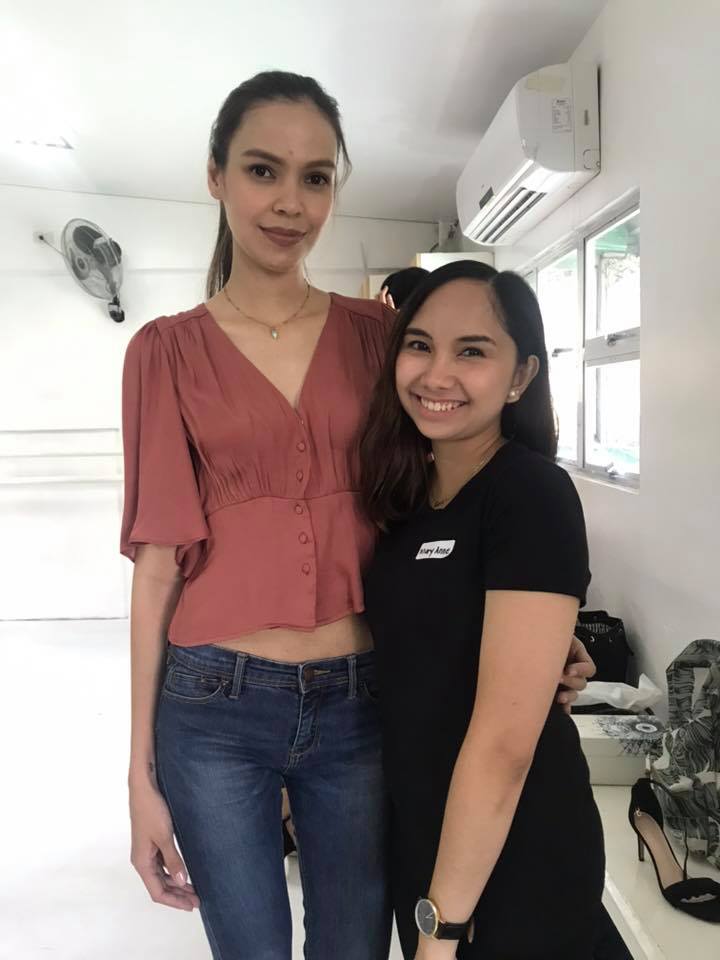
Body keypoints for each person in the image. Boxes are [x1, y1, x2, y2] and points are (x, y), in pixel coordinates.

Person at [121, 71, 595, 960]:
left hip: (364, 703)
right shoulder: (164, 352)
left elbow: (443, 504)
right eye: (262, 170)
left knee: (355, 947)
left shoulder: (384, 341)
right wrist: (139, 773)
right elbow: (156, 570)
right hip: (213, 704)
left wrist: (536, 636)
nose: (289, 203)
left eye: (316, 178)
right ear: (216, 176)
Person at [361, 260, 606, 960]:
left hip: (515, 847)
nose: (437, 374)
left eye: (472, 351)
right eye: (420, 345)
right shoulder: (406, 499)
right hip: (428, 832)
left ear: (521, 376)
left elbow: (503, 746)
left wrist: (442, 933)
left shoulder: (531, 494)